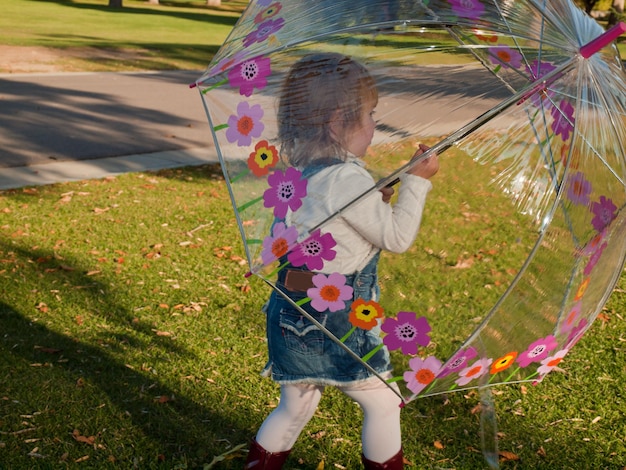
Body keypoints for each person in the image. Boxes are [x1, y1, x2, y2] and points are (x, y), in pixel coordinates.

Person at [245, 53, 439, 470]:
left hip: (289, 306)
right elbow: (397, 237)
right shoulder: (348, 179)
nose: (373, 124)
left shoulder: (301, 169)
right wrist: (417, 183)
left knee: (295, 406)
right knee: (385, 403)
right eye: (369, 114)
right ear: (336, 121)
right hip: (333, 319)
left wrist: (376, 197)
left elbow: (335, 221)